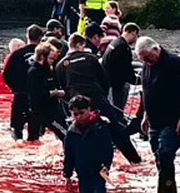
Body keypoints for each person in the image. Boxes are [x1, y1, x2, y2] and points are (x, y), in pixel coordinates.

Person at [57, 34, 142, 163]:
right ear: (81, 45)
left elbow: (63, 87)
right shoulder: (91, 58)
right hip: (97, 98)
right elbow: (104, 79)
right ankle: (135, 160)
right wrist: (102, 96)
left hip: (77, 103)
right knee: (116, 130)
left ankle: (75, 162)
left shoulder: (60, 65)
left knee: (77, 134)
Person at [137, 37, 180, 193]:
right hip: (154, 120)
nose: (147, 61)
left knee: (165, 156)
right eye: (144, 59)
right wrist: (145, 115)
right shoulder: (146, 66)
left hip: (172, 119)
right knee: (162, 163)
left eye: (148, 57)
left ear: (156, 49)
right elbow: (146, 91)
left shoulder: (174, 63)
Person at [63, 95, 113, 193]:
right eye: (75, 114)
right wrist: (67, 175)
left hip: (99, 171)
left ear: (89, 110)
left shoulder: (100, 126)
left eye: (82, 113)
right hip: (82, 173)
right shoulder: (71, 132)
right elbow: (69, 155)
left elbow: (107, 148)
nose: (79, 117)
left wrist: (106, 165)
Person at [3, 25, 43, 141]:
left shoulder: (16, 54)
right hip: (37, 97)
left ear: (27, 36)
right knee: (35, 135)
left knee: (16, 130)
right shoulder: (44, 54)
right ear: (41, 38)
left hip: (20, 95)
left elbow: (6, 75)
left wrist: (15, 88)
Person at [27, 43, 67, 141]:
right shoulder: (34, 72)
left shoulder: (49, 70)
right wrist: (55, 93)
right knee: (66, 133)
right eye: (51, 58)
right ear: (41, 57)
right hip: (43, 111)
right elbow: (36, 95)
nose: (52, 62)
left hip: (50, 109)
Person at [101, 22, 139, 110]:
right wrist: (136, 80)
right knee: (117, 108)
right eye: (136, 36)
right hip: (115, 84)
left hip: (107, 80)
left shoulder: (115, 42)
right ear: (133, 33)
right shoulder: (123, 47)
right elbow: (126, 69)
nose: (135, 39)